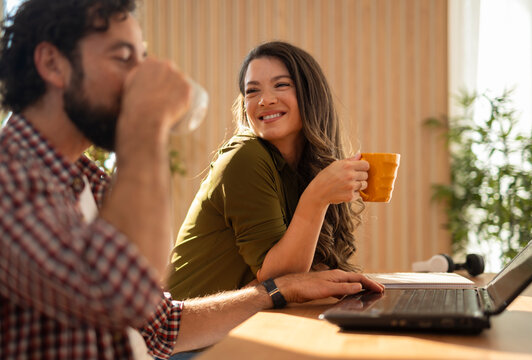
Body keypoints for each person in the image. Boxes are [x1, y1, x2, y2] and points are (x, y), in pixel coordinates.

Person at [0, 1, 384, 359]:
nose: (139, 78)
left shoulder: (86, 182)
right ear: (52, 63)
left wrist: (276, 292)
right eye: (123, 58)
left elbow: (162, 325)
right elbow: (123, 296)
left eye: (143, 60)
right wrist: (146, 125)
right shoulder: (10, 179)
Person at [167, 41, 371, 300]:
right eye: (252, 91)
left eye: (281, 85)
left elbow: (303, 274)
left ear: (311, 95)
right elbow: (282, 282)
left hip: (234, 324)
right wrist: (317, 197)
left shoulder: (301, 169)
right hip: (179, 332)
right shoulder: (245, 157)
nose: (265, 100)